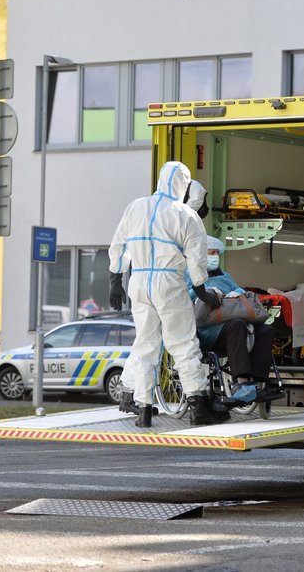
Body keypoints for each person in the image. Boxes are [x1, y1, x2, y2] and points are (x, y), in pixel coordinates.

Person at [108, 162, 227, 427]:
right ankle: (198, 407)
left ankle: (144, 410)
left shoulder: (135, 207)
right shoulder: (185, 214)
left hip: (138, 281)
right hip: (169, 283)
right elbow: (196, 261)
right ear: (184, 185)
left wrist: (115, 279)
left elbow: (118, 243)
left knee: (145, 345)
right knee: (183, 344)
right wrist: (202, 292)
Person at [189, 236, 279, 404]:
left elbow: (239, 289)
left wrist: (238, 292)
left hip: (234, 326)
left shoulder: (224, 276)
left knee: (267, 330)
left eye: (217, 253)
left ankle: (259, 382)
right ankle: (241, 382)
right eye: (212, 252)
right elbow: (185, 296)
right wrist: (205, 293)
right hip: (208, 331)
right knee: (237, 325)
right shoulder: (190, 274)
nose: (215, 256)